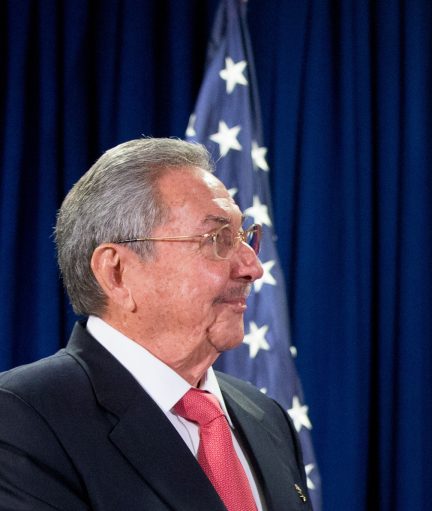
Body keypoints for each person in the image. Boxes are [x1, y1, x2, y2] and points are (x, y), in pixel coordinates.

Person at [0, 138, 312, 510]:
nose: (252, 268)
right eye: (217, 239)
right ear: (116, 272)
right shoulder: (23, 418)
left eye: (245, 238)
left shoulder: (266, 418)